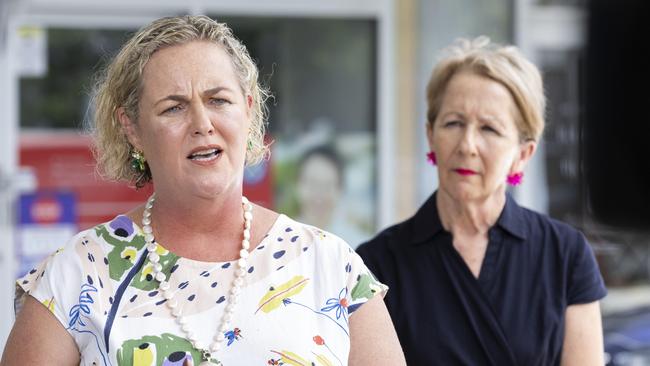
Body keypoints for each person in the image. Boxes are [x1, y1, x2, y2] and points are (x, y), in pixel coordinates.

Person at [1, 16, 405, 366]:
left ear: (248, 113)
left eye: (218, 100)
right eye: (173, 107)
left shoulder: (331, 266)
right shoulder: (76, 274)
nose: (202, 122)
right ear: (133, 130)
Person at [356, 37, 607, 365]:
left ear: (523, 153)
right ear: (431, 135)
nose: (468, 145)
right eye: (454, 123)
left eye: (489, 128)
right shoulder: (377, 264)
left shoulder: (565, 253)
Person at [295, 145, 368, 246]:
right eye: (312, 183)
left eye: (327, 185)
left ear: (340, 190)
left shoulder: (355, 246)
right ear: (298, 186)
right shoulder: (281, 240)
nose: (319, 196)